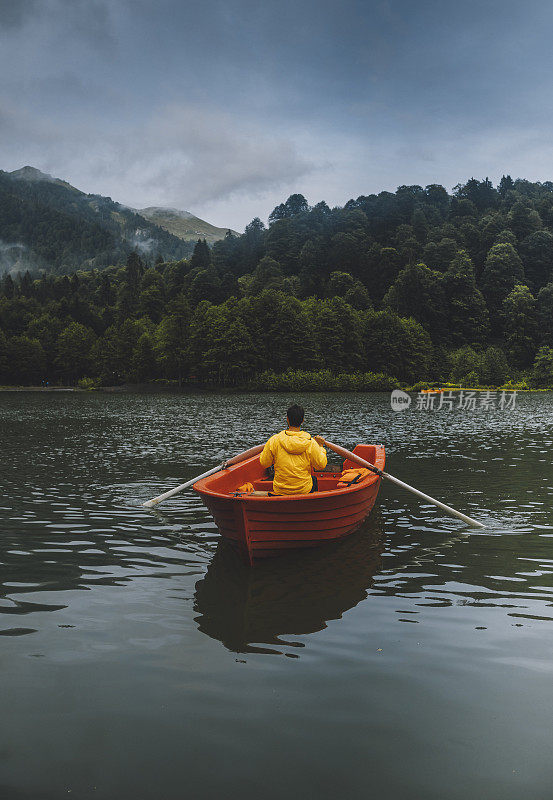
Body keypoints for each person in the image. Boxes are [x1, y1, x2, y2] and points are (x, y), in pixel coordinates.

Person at [259, 403, 327, 495]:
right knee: (314, 480)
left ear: (287, 419)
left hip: (280, 490)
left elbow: (264, 463)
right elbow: (321, 465)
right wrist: (321, 447)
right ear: (302, 421)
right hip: (303, 490)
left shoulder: (274, 440)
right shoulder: (310, 442)